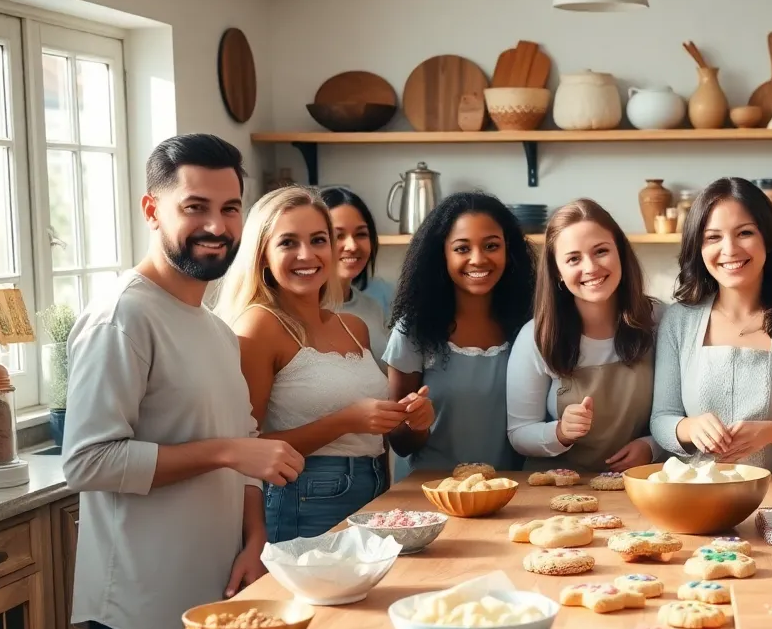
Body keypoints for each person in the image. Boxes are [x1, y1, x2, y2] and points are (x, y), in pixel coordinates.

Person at [62, 134, 304, 629]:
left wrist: (254, 542)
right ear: (152, 209)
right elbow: (88, 461)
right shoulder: (123, 315)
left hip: (216, 597)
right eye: (195, 207)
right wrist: (225, 452)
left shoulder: (214, 329)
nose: (216, 226)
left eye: (230, 209)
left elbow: (245, 443)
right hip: (141, 610)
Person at [213, 185, 433, 542]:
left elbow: (378, 437)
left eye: (318, 240)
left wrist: (415, 420)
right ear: (262, 254)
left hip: (376, 490)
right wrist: (346, 421)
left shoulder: (353, 326)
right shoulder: (259, 325)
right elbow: (245, 448)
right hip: (302, 499)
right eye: (287, 243)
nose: (307, 254)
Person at [650, 177, 772, 471]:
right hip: (696, 497)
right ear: (698, 247)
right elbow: (661, 419)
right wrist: (689, 427)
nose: (730, 249)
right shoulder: (679, 319)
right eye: (713, 237)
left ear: (768, 240)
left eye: (744, 233)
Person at [383, 191, 538, 475]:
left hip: (512, 494)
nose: (478, 259)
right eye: (462, 248)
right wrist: (416, 424)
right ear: (440, 253)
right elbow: (399, 443)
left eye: (491, 246)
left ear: (509, 250)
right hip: (430, 495)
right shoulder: (413, 332)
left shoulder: (529, 327)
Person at [506, 198, 662, 473]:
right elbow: (519, 434)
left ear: (621, 254)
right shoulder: (535, 337)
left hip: (640, 484)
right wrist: (561, 432)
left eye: (601, 251)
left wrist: (651, 447)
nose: (590, 268)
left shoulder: (659, 320)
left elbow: (679, 415)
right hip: (556, 490)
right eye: (573, 259)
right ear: (557, 273)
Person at [320, 186, 393, 373]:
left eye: (361, 234)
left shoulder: (373, 307)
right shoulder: (300, 313)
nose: (352, 246)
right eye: (338, 236)